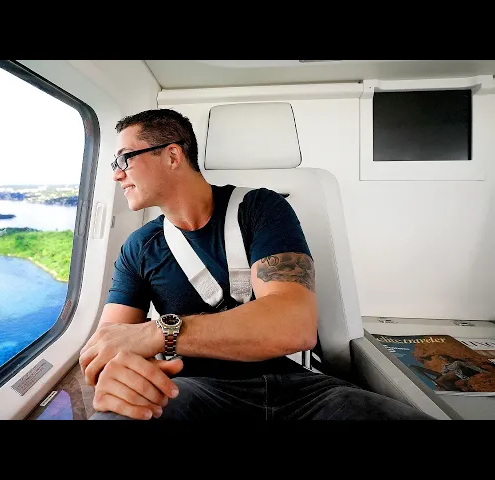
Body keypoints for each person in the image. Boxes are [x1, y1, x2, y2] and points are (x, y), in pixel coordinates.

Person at [79, 108, 433, 420]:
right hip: (192, 390)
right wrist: (117, 377)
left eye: (125, 159)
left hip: (299, 390)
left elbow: (293, 325)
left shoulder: (261, 208)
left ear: (172, 155)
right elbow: (106, 346)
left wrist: (157, 333)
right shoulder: (139, 248)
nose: (116, 174)